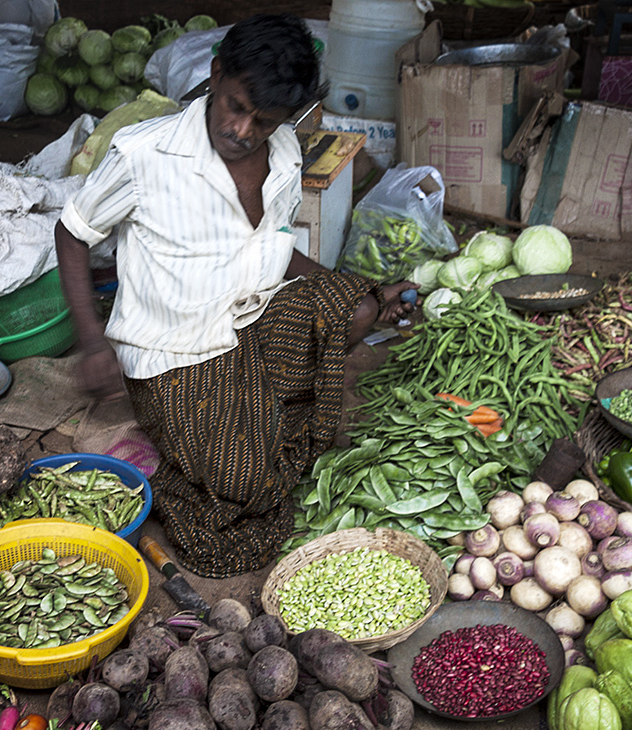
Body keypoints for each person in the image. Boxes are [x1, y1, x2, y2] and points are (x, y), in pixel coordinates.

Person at [55, 13, 416, 578]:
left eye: (264, 120)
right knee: (240, 481)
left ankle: (260, 413)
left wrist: (364, 288)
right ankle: (236, 430)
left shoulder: (287, 156)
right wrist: (91, 340)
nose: (244, 130)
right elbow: (73, 234)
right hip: (176, 352)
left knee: (357, 309)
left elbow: (273, 251)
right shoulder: (144, 154)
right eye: (236, 106)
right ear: (217, 74)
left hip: (251, 321)